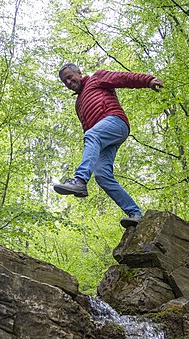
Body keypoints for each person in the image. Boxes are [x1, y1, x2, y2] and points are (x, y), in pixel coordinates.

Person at [53, 63, 163, 228]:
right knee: (102, 175)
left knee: (91, 135)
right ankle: (135, 214)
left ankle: (79, 181)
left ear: (79, 73)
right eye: (64, 81)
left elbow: (123, 78)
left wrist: (148, 80)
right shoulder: (78, 103)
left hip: (115, 122)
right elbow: (87, 127)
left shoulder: (97, 78)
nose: (68, 82)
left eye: (70, 77)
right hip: (102, 136)